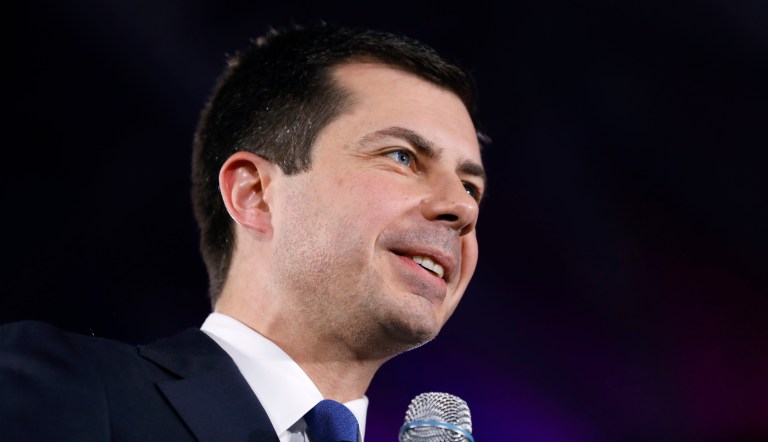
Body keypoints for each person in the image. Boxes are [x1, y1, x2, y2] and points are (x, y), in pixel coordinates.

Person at [0, 24, 486, 441]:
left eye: (471, 186)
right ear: (254, 194)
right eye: (402, 156)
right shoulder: (68, 388)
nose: (462, 207)